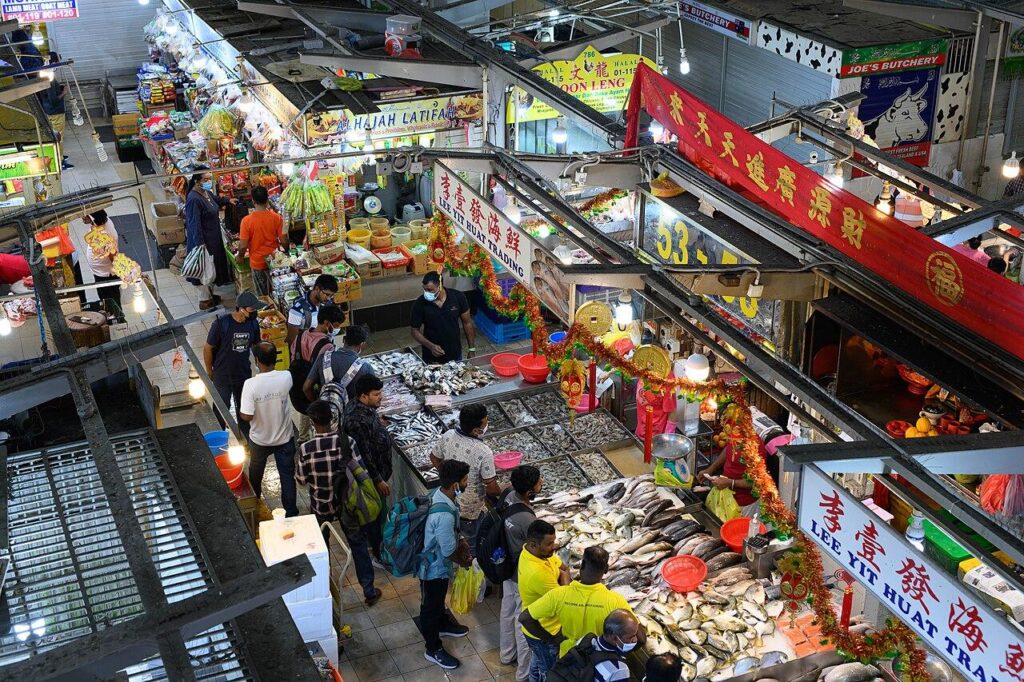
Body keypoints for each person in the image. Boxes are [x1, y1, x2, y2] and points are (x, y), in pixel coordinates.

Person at [297, 399, 383, 606]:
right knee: (358, 544)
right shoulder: (347, 442)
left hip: (321, 505)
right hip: (348, 504)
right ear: (332, 419)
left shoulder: (306, 449)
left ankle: (323, 588)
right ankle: (369, 591)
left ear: (312, 422)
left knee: (321, 545)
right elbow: (360, 470)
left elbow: (301, 481)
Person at [519, 546, 640, 659]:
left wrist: (551, 639)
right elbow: (639, 636)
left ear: (582, 566)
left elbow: (524, 618)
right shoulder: (616, 600)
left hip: (568, 658)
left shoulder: (559, 594)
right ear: (606, 570)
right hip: (597, 659)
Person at [419, 458, 473, 671]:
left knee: (438, 600)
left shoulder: (441, 495)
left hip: (438, 565)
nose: (468, 482)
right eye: (466, 479)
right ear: (455, 485)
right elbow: (448, 550)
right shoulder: (443, 515)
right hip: (433, 568)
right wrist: (465, 562)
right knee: (430, 607)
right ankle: (433, 648)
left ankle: (442, 624)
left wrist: (461, 540)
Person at [429, 403, 499, 554]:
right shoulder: (483, 451)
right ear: (476, 430)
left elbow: (434, 457)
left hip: (449, 500)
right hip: (470, 510)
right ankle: (468, 570)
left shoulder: (448, 435)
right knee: (470, 547)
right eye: (486, 422)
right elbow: (492, 488)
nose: (487, 424)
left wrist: (448, 476)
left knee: (453, 538)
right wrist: (505, 488)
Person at [239, 341, 298, 517]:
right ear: (276, 358)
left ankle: (254, 507)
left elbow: (247, 416)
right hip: (285, 438)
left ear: (257, 361)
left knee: (255, 475)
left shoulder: (250, 385)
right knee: (287, 477)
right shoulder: (286, 377)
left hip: (260, 440)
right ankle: (291, 513)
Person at [343, 373, 394, 565]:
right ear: (364, 396)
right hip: (371, 479)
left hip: (378, 473)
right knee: (375, 514)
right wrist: (378, 479)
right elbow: (364, 454)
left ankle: (378, 546)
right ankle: (379, 554)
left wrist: (379, 425)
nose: (380, 397)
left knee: (378, 513)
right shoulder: (357, 420)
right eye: (376, 394)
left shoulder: (363, 407)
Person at [204, 291, 267, 439]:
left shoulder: (253, 324)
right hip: (222, 376)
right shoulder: (221, 324)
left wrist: (261, 369)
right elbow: (208, 348)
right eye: (252, 310)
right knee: (221, 411)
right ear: (241, 308)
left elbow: (256, 346)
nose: (255, 313)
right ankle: (220, 440)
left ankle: (245, 441)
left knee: (244, 411)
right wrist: (209, 371)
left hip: (243, 375)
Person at [499, 465, 542, 676]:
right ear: (530, 491)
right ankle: (523, 673)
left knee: (507, 611)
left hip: (506, 566)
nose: (541, 484)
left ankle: (506, 654)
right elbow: (538, 548)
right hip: (521, 575)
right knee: (522, 621)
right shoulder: (527, 520)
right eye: (539, 483)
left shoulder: (508, 493)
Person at [517, 520, 570, 681]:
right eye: (549, 544)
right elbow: (564, 599)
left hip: (543, 628)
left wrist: (564, 577)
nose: (554, 547)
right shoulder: (537, 572)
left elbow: (564, 568)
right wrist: (565, 580)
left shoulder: (535, 553)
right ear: (533, 544)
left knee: (538, 661)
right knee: (550, 671)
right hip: (544, 631)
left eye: (554, 541)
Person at [290, 304, 345, 442]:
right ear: (327, 323)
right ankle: (318, 442)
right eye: (336, 325)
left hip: (297, 385)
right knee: (317, 415)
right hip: (313, 388)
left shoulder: (300, 335)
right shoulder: (327, 345)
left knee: (305, 411)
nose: (337, 329)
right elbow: (326, 372)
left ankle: (302, 439)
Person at [185, 167, 236, 309]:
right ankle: (205, 301)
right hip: (203, 242)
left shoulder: (206, 193)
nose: (209, 182)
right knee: (205, 270)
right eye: (206, 179)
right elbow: (194, 224)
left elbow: (215, 200)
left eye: (209, 179)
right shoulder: (194, 199)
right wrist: (200, 244)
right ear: (197, 181)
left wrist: (227, 200)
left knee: (212, 269)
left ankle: (210, 295)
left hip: (213, 239)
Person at [410, 271, 477, 364]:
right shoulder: (420, 304)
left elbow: (467, 323)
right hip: (431, 357)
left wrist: (472, 349)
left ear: (440, 286)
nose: (426, 293)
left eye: (430, 290)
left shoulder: (458, 297)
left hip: (455, 354)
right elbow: (414, 330)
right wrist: (431, 346)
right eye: (424, 289)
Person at [303, 322, 373, 404]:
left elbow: (306, 388)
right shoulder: (365, 367)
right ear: (362, 345)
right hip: (351, 414)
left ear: (343, 339)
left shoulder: (323, 358)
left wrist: (318, 404)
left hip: (326, 412)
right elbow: (371, 397)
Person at [237, 185, 286, 296]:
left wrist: (240, 256)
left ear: (253, 201)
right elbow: (284, 240)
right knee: (277, 294)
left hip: (258, 263)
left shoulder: (246, 221)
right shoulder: (276, 218)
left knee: (263, 296)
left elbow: (243, 245)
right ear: (267, 199)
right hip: (275, 263)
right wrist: (286, 252)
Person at [698, 437, 761, 517]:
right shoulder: (734, 435)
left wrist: (730, 482)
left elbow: (757, 482)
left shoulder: (755, 447)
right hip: (725, 497)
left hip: (743, 504)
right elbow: (728, 449)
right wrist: (710, 469)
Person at [82, 210, 121, 303]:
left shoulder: (104, 232)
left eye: (85, 215)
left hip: (106, 275)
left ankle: (116, 317)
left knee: (110, 302)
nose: (82, 217)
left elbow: (113, 256)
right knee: (106, 302)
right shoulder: (101, 223)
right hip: (101, 272)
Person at [40, 53, 70, 170]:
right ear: (53, 63)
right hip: (55, 112)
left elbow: (48, 93)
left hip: (49, 111)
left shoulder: (43, 72)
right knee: (59, 137)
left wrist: (59, 88)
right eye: (57, 63)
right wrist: (64, 92)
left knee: (56, 135)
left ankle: (60, 156)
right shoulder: (50, 76)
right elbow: (53, 100)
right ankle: (60, 161)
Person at [287, 273, 338, 342]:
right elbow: (292, 340)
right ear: (317, 289)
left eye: (331, 295)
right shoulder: (297, 310)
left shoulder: (328, 305)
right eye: (327, 294)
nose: (329, 298)